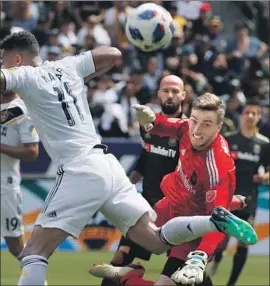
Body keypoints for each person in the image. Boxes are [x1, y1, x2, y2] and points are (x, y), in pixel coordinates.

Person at [0, 31, 257, 286]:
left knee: (33, 253)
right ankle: (213, 220)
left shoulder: (24, 75)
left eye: (4, 59)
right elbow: (113, 54)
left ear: (19, 59)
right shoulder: (67, 67)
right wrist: (78, 76)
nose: (3, 65)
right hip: (107, 165)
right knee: (156, 240)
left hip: (78, 168)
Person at [89, 92, 257, 286]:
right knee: (132, 244)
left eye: (206, 124)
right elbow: (170, 125)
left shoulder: (217, 167)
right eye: (194, 120)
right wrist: (152, 121)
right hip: (168, 207)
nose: (196, 130)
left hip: (192, 229)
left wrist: (200, 257)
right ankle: (125, 273)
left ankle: (126, 278)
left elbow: (218, 221)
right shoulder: (187, 127)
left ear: (219, 127)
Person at [101, 75, 186, 286]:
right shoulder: (148, 124)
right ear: (158, 93)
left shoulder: (190, 130)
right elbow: (146, 158)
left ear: (183, 95)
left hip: (176, 211)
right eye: (165, 90)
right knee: (118, 263)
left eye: (175, 91)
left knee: (184, 273)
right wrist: (126, 186)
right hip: (144, 209)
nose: (170, 95)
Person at [209, 99, 270, 286]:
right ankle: (216, 259)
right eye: (247, 113)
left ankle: (232, 283)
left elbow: (268, 170)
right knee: (221, 241)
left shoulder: (264, 144)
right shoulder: (228, 139)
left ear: (259, 117)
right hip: (226, 197)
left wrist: (264, 177)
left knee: (243, 242)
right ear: (242, 115)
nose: (250, 116)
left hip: (249, 199)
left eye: (254, 113)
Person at [1, 90, 39, 260]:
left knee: (15, 244)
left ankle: (35, 278)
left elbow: (32, 152)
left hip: (5, 183)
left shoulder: (22, 110)